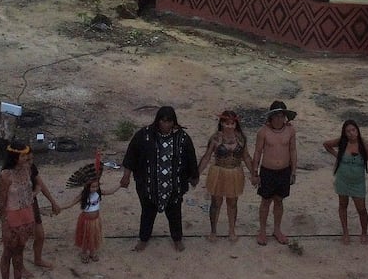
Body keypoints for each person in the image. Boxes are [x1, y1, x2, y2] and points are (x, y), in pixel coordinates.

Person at [120, 105, 199, 251]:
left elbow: (190, 157)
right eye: (163, 121)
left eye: (169, 121)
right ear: (158, 121)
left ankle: (177, 239)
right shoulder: (145, 135)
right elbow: (131, 155)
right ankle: (143, 239)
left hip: (173, 186)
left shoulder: (182, 138)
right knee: (147, 213)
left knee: (175, 214)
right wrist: (126, 176)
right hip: (149, 185)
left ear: (173, 122)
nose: (166, 125)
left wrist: (194, 176)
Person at [197, 109, 254, 241]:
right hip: (219, 172)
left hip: (235, 172)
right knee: (216, 202)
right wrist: (197, 173)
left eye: (232, 123)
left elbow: (246, 157)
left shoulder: (241, 138)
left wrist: (254, 174)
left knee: (233, 202)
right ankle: (213, 231)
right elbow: (206, 157)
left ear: (235, 124)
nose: (229, 126)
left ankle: (232, 230)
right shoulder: (215, 138)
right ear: (222, 123)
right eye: (226, 123)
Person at [0, 141, 41, 279]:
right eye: (23, 155)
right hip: (12, 217)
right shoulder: (5, 175)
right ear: (15, 156)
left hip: (26, 214)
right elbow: (1, 202)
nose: (26, 158)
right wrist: (4, 224)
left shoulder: (27, 170)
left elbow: (33, 188)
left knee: (20, 250)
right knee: (8, 252)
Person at [253, 100, 298, 246]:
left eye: (281, 116)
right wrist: (255, 172)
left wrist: (294, 170)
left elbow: (292, 150)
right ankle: (262, 231)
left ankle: (277, 230)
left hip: (284, 171)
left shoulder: (290, 130)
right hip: (267, 172)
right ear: (271, 117)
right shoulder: (263, 132)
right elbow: (258, 152)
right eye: (276, 116)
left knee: (279, 200)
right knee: (265, 201)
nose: (279, 119)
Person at [322, 120, 368, 244]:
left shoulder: (365, 144)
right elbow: (326, 144)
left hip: (358, 182)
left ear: (357, 130)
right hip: (342, 179)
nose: (351, 133)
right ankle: (345, 232)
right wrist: (337, 155)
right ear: (344, 133)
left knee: (361, 209)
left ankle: (364, 232)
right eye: (348, 131)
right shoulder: (342, 142)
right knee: (343, 205)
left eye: (353, 130)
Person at [73, 162, 121, 263]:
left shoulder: (98, 192)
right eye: (92, 187)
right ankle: (84, 252)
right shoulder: (83, 196)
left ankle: (92, 252)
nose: (95, 189)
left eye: (96, 186)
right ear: (87, 187)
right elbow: (71, 203)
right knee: (86, 237)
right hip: (86, 221)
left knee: (93, 237)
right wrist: (59, 207)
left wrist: (120, 185)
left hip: (95, 220)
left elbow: (110, 191)